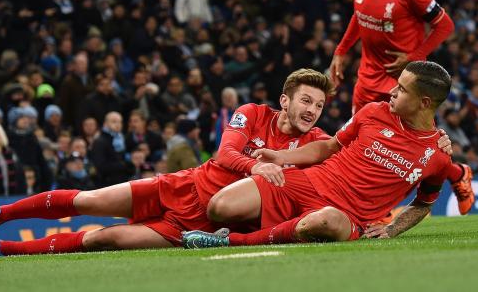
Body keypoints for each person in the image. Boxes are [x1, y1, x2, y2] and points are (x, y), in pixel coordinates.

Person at [0, 68, 452, 258]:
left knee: (104, 239)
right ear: (284, 99)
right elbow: (226, 154)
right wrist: (259, 165)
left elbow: (343, 164)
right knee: (90, 200)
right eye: (303, 101)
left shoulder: (318, 143)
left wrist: (442, 161)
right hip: (185, 185)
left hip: (192, 222)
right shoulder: (251, 113)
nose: (310, 111)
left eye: (318, 106)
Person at [181, 62, 460, 248]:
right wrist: (279, 157)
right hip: (309, 182)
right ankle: (282, 227)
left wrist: (393, 229)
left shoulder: (437, 156)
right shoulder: (374, 112)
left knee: (324, 220)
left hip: (346, 214)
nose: (392, 91)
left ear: (425, 102)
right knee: (220, 206)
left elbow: (424, 203)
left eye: (402, 89)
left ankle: (230, 242)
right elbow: (329, 147)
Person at [327, 0, 472, 214]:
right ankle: (458, 174)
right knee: (355, 145)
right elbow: (360, 14)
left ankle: (451, 177)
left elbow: (445, 25)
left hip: (403, 84)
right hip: (367, 80)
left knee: (408, 154)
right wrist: (341, 50)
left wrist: (414, 57)